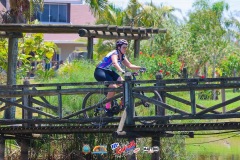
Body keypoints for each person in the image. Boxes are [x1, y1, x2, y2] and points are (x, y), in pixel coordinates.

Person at [94, 39, 146, 116]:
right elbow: (115, 63)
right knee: (113, 86)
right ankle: (107, 107)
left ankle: (121, 104)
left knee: (125, 85)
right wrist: (122, 71)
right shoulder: (114, 53)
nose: (125, 49)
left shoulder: (122, 56)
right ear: (119, 47)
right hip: (101, 71)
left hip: (110, 72)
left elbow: (130, 65)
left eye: (126, 47)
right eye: (124, 47)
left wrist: (140, 67)